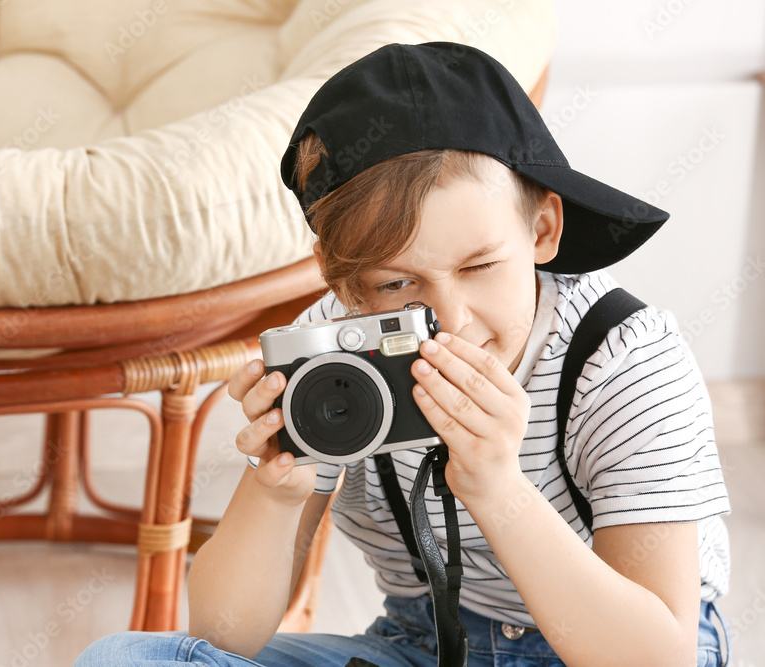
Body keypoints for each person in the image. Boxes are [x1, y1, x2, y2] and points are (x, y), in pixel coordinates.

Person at [74, 42, 731, 667]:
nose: (448, 320)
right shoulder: (333, 352)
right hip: (424, 643)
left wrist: (498, 489)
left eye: (479, 266)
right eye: (396, 284)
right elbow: (223, 636)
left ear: (542, 229)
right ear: (340, 280)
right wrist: (274, 492)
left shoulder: (621, 357)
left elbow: (657, 654)